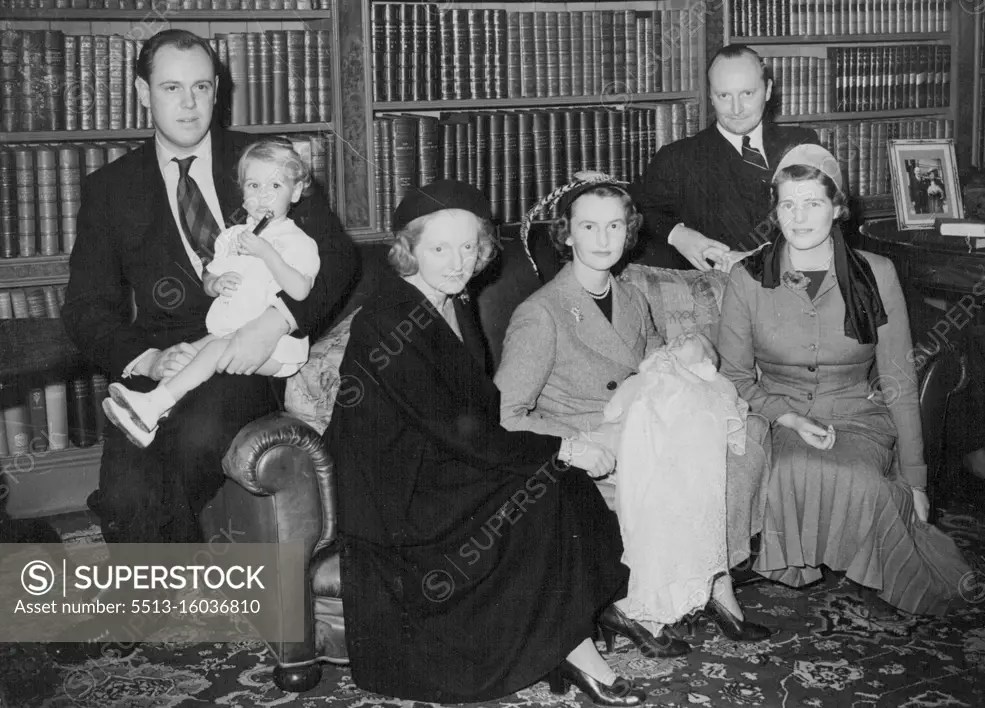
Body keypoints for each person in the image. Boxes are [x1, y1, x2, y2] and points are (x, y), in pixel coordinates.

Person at [324, 179, 646, 706]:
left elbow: (478, 416)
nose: (457, 262)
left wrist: (552, 451)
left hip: (441, 464)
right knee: (546, 488)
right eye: (439, 248)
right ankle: (571, 645)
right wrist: (559, 448)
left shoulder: (455, 301)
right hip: (400, 495)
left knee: (564, 488)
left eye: (468, 247)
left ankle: (571, 638)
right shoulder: (388, 318)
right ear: (410, 249)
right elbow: (453, 427)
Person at [61, 29, 358, 546]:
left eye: (201, 87)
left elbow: (337, 257)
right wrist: (148, 360)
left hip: (250, 356)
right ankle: (162, 606)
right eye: (172, 88)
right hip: (165, 355)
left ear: (217, 89)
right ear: (141, 91)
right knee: (126, 495)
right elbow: (87, 306)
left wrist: (277, 321)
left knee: (193, 440)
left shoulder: (266, 162)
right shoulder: (109, 189)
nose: (189, 103)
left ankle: (180, 598)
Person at [495, 174, 771, 651]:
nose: (603, 239)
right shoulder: (541, 313)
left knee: (748, 435)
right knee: (703, 462)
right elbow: (505, 415)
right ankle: (635, 607)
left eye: (615, 226)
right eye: (589, 227)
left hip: (647, 431)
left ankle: (714, 582)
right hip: (597, 444)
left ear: (630, 232)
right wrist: (577, 444)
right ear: (566, 234)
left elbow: (658, 366)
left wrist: (696, 348)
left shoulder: (630, 296)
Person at [716, 144, 972, 615]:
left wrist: (917, 481)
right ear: (774, 210)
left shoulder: (877, 273)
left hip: (856, 413)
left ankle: (868, 561)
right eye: (787, 203)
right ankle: (806, 562)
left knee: (863, 480)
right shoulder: (746, 279)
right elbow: (732, 378)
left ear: (837, 207)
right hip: (779, 417)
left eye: (813, 202)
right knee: (791, 468)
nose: (799, 216)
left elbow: (898, 379)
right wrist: (788, 417)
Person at [103, 140, 321, 447]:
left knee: (212, 352)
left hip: (277, 347)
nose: (263, 196)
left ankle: (152, 406)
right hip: (227, 330)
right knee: (189, 355)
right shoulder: (232, 236)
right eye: (254, 185)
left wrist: (267, 253)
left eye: (275, 185)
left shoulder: (297, 241)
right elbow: (210, 275)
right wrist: (215, 283)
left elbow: (300, 290)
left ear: (295, 192)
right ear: (242, 193)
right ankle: (151, 411)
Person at [633, 44, 820, 271]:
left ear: (768, 90)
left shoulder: (802, 145)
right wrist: (677, 234)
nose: (736, 108)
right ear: (710, 96)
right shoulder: (677, 158)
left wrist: (767, 257)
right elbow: (639, 209)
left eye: (747, 93)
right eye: (724, 95)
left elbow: (827, 218)